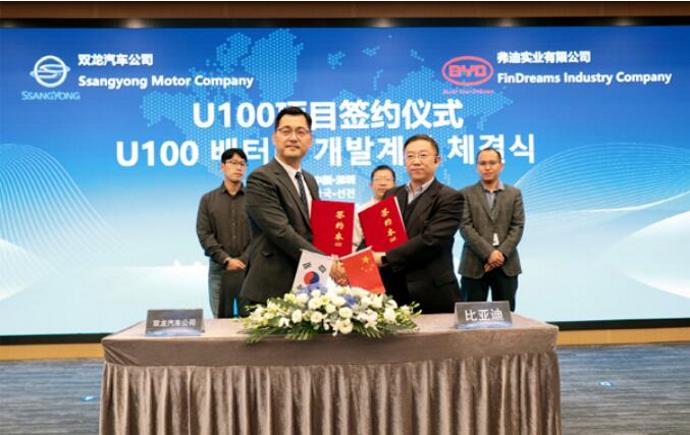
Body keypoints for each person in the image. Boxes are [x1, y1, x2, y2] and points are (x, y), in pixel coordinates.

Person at [241, 106, 347, 304]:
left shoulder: (309, 180)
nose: (293, 138)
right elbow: (281, 231)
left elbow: (316, 231)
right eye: (286, 131)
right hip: (270, 290)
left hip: (308, 286)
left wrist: (337, 258)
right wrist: (328, 263)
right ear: (274, 138)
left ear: (310, 140)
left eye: (300, 132)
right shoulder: (261, 178)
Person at [372, 134, 463, 313]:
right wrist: (352, 264)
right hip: (392, 291)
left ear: (437, 160)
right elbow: (377, 233)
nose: (416, 161)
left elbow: (431, 240)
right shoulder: (391, 194)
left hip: (432, 292)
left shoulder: (450, 197)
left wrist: (384, 258)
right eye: (410, 156)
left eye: (423, 155)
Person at [458, 147, 525, 311]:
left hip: (506, 265)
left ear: (501, 166)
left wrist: (500, 254)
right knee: (470, 316)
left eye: (492, 163)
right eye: (482, 163)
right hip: (473, 265)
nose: (487, 167)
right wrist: (489, 253)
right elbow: (465, 227)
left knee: (505, 318)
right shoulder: (464, 194)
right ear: (477, 167)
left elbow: (517, 226)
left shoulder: (514, 194)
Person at [196, 148, 251, 318]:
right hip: (219, 268)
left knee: (252, 321)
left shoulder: (255, 199)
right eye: (233, 163)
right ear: (222, 167)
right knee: (220, 321)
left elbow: (262, 233)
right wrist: (226, 260)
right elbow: (204, 233)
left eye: (242, 164)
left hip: (250, 268)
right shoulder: (208, 199)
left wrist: (245, 259)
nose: (238, 167)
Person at [352, 165, 397, 250]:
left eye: (387, 179)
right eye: (377, 179)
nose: (382, 183)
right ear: (371, 185)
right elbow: (355, 244)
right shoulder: (361, 211)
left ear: (395, 184)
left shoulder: (402, 208)